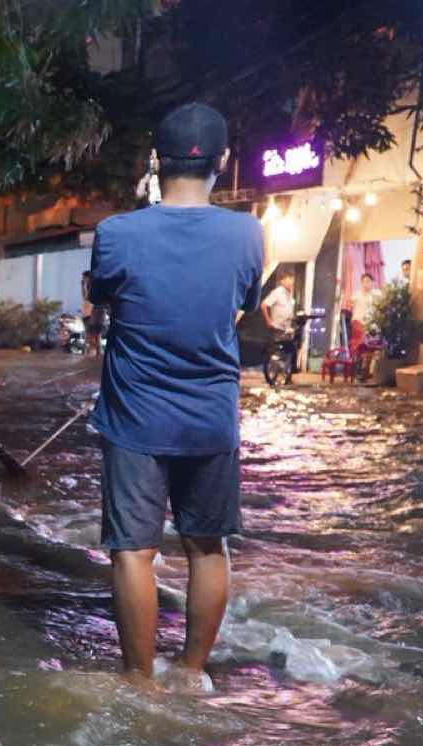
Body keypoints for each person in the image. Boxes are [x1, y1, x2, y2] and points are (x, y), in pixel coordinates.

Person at [87, 102, 264, 688]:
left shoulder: (116, 234)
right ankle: (191, 671)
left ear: (156, 161)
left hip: (135, 417)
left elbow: (107, 301)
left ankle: (140, 683)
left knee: (134, 553)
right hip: (211, 416)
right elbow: (243, 305)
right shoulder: (248, 233)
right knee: (207, 547)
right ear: (224, 161)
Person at [81, 270, 105, 358]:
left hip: (93, 315)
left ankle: (93, 356)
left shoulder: (92, 288)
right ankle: (94, 356)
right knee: (93, 337)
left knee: (92, 337)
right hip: (90, 314)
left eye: (84, 277)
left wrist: (83, 285)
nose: (83, 279)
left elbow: (86, 297)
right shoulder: (90, 287)